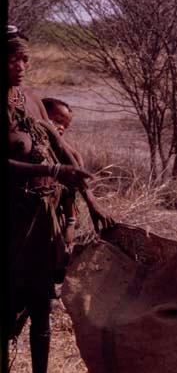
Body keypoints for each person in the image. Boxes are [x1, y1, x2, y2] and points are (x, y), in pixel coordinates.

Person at [6, 26, 108, 373]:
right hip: (10, 223)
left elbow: (64, 150)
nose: (21, 66)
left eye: (25, 59)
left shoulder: (31, 99)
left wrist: (92, 204)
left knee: (41, 309)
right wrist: (49, 169)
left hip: (42, 220)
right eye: (13, 59)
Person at [41, 97, 115, 259]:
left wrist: (71, 223)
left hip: (51, 215)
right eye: (58, 120)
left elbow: (70, 197)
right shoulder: (31, 141)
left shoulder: (68, 153)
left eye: (65, 126)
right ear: (40, 113)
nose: (61, 128)